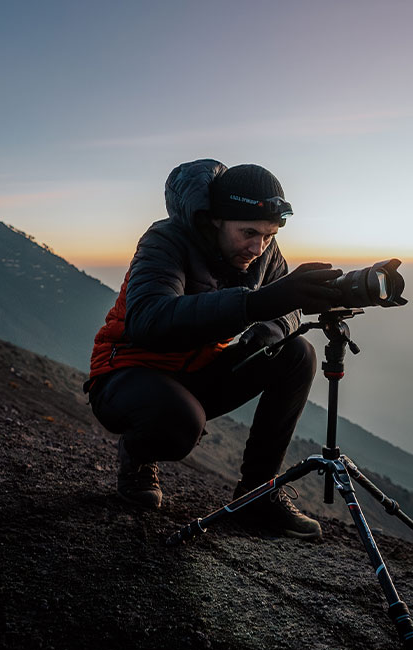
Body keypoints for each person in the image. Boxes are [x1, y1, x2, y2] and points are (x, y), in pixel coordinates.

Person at [84, 159, 343, 540]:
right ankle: (138, 456)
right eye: (249, 232)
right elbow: (149, 321)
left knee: (297, 354)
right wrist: (253, 306)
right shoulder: (166, 240)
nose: (258, 247)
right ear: (218, 219)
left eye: (269, 235)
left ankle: (258, 494)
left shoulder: (264, 254)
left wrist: (269, 331)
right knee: (180, 423)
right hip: (126, 374)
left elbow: (287, 308)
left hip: (197, 372)